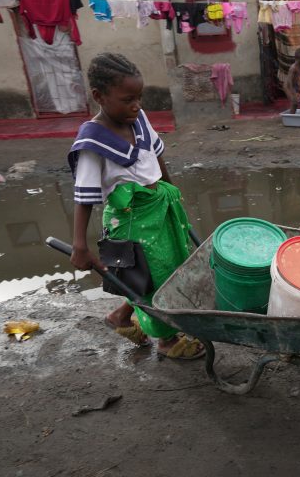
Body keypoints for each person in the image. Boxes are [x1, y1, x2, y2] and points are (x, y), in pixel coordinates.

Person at [67, 53, 204, 360]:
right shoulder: (93, 141)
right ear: (99, 96)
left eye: (139, 97)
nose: (137, 105)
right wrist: (80, 245)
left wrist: (173, 193)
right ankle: (166, 340)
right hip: (132, 221)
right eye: (128, 99)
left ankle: (120, 315)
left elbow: (157, 156)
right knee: (152, 275)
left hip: (160, 208)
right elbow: (84, 196)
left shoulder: (137, 119)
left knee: (166, 269)